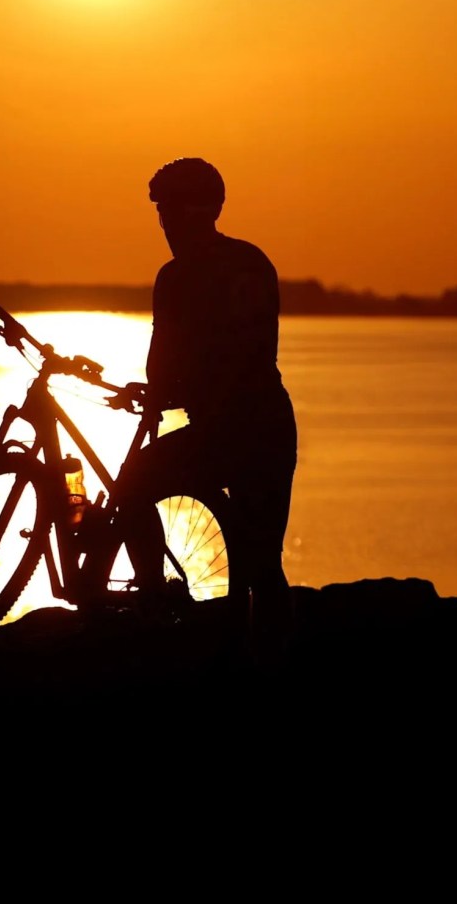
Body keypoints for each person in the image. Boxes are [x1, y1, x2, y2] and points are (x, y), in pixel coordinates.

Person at [116, 157, 298, 647]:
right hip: (259, 426)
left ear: (206, 211)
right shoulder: (243, 262)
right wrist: (160, 393)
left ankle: (154, 599)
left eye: (174, 209)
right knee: (260, 561)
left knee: (131, 488)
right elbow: (175, 364)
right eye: (161, 210)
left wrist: (161, 394)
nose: (166, 222)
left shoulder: (195, 274)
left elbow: (215, 359)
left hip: (244, 430)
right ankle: (259, 658)